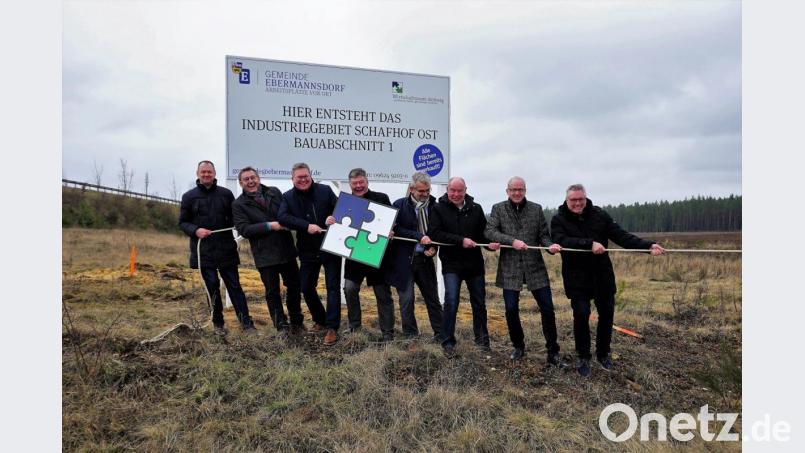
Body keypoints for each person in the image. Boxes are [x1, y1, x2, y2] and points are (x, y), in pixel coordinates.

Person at [551, 183, 666, 376]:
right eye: (574, 200)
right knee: (581, 315)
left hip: (601, 275)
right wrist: (589, 244)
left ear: (586, 198)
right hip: (576, 277)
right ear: (567, 200)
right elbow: (561, 240)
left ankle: (603, 353)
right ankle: (583, 356)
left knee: (606, 316)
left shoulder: (599, 215)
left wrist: (648, 246)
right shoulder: (558, 219)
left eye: (581, 199)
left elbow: (621, 236)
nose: (578, 203)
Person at [485, 177, 562, 364]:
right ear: (507, 191)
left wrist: (550, 246)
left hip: (535, 267)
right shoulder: (498, 208)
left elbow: (543, 235)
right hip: (510, 268)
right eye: (513, 190)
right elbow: (490, 232)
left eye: (520, 189)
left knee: (548, 309)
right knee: (511, 310)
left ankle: (553, 351)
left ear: (525, 190)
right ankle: (518, 346)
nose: (517, 193)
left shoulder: (536, 209)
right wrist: (512, 241)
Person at [179, 160, 255, 332]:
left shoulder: (226, 194)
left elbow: (236, 216)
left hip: (226, 248)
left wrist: (242, 224)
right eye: (203, 172)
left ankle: (247, 324)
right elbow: (183, 223)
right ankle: (218, 324)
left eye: (209, 172)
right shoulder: (188, 197)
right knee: (211, 287)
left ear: (214, 174)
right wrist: (196, 230)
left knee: (235, 286)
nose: (206, 175)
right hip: (203, 251)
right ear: (197, 174)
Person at [428, 177, 500, 357]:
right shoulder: (438, 208)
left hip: (474, 264)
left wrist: (489, 244)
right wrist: (461, 241)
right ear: (447, 189)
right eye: (452, 190)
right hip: (451, 264)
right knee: (451, 301)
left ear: (465, 190)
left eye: (460, 191)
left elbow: (482, 234)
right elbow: (435, 234)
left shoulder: (476, 208)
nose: (456, 194)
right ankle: (448, 341)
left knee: (479, 302)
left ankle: (482, 341)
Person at [324, 168, 396, 341]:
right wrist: (329, 221)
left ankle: (387, 332)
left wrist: (391, 230)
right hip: (354, 256)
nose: (358, 186)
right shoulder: (343, 203)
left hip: (376, 255)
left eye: (361, 182)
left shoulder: (382, 198)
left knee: (383, 294)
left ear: (367, 181)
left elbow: (393, 222)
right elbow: (336, 225)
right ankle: (354, 326)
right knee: (349, 289)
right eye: (354, 183)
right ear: (350, 184)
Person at [232, 166, 304, 335]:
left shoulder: (274, 192)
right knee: (272, 292)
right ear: (241, 183)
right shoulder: (238, 204)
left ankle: (296, 322)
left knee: (294, 286)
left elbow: (286, 213)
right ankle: (281, 326)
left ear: (258, 178)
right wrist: (269, 226)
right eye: (246, 179)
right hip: (265, 255)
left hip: (286, 249)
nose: (251, 181)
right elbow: (244, 229)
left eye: (253, 177)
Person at [278, 163, 340, 345]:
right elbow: (282, 217)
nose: (303, 180)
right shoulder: (287, 197)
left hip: (330, 246)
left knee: (333, 288)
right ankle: (320, 319)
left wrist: (332, 217)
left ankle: (332, 327)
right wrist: (306, 226)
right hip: (307, 249)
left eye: (306, 176)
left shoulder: (326, 190)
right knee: (306, 287)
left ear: (311, 176)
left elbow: (341, 210)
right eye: (299, 177)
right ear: (293, 179)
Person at [386, 171, 444, 343]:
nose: (425, 194)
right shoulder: (399, 205)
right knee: (406, 300)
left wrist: (434, 247)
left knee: (432, 298)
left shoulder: (436, 206)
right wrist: (418, 236)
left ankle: (440, 334)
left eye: (428, 190)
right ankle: (410, 336)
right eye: (421, 191)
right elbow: (398, 230)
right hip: (403, 260)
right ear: (411, 189)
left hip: (424, 260)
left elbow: (439, 232)